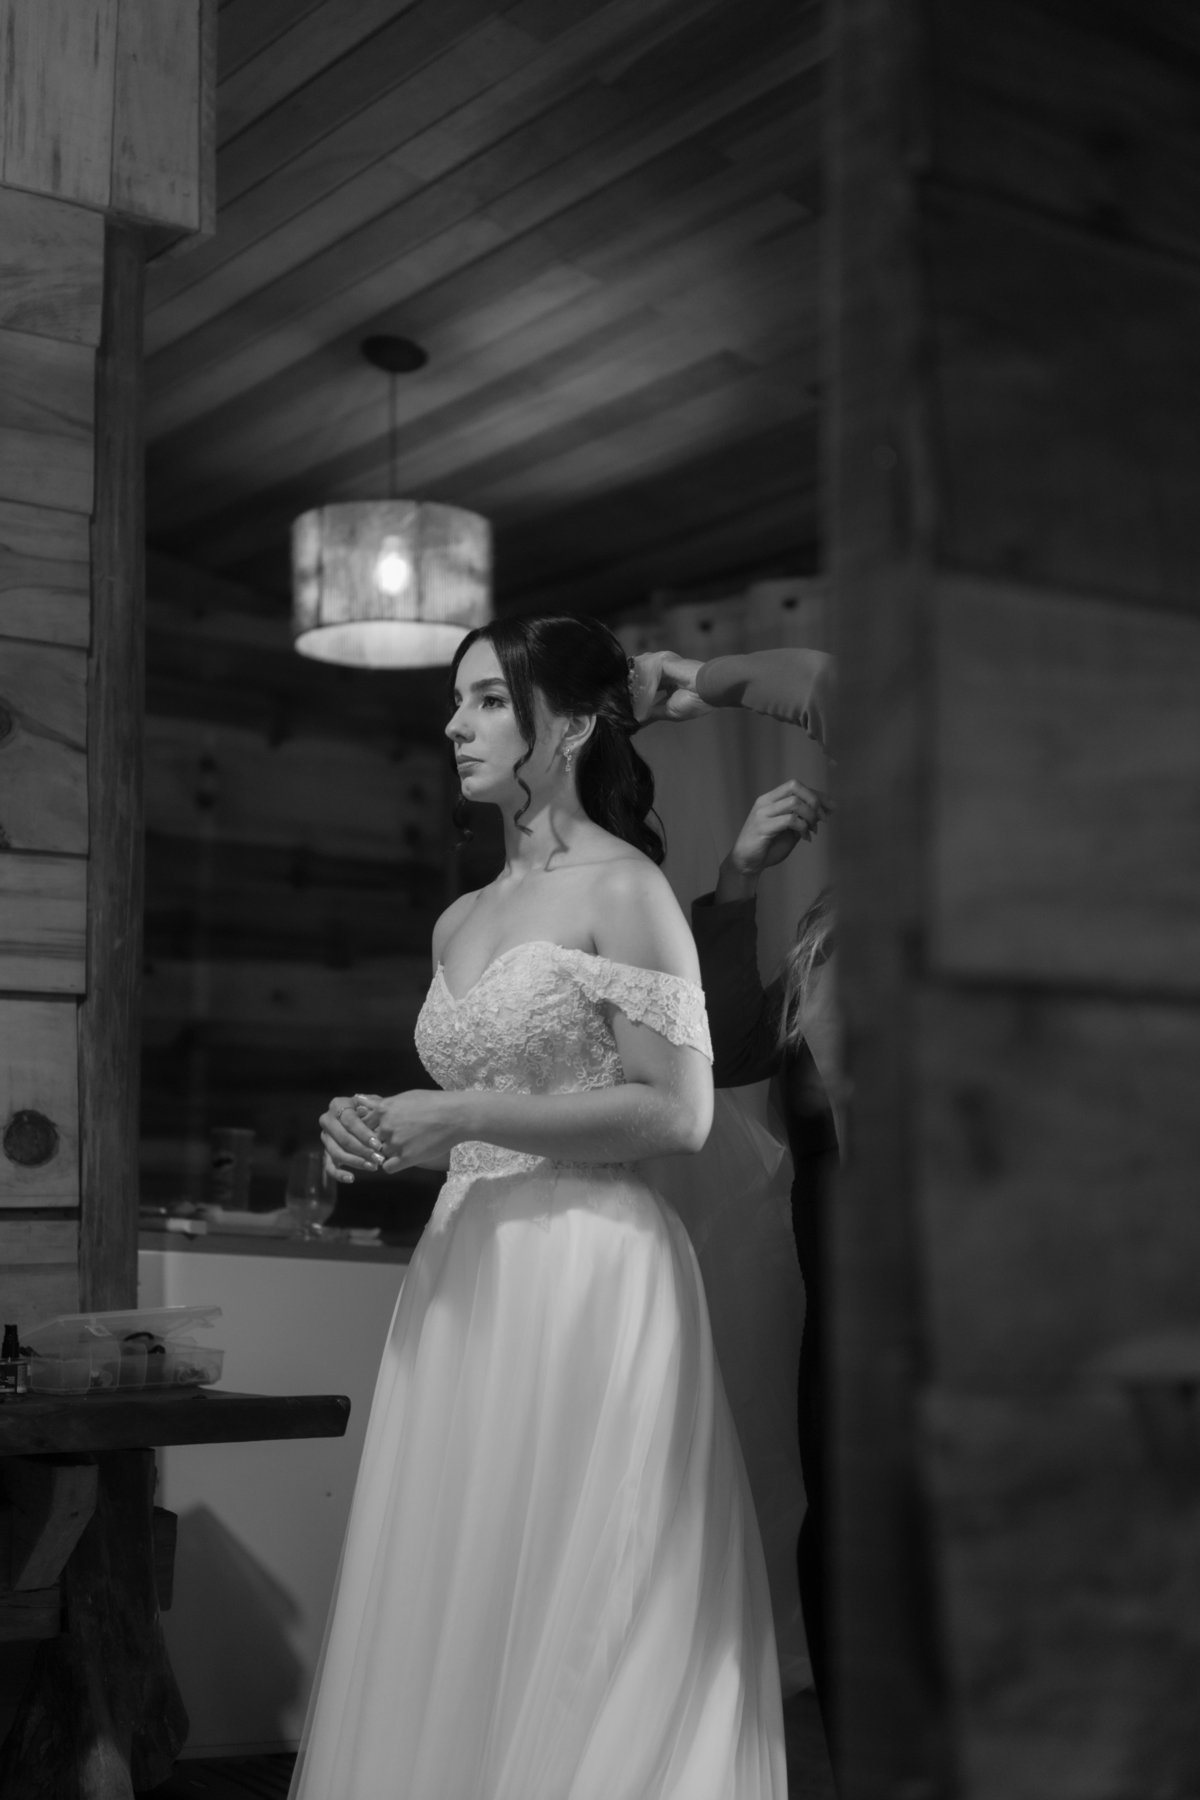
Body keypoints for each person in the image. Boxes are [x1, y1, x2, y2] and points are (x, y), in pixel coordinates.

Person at [296, 617, 787, 1800]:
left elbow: (678, 1112)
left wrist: (463, 1114)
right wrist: (377, 1127)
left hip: (589, 1270)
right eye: (455, 702)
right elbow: (476, 1104)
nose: (453, 725)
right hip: (467, 1269)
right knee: (462, 1575)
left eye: (485, 701)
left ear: (564, 728)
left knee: (585, 1588)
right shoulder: (459, 919)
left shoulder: (627, 887)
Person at [633, 643, 841, 1739]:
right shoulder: (832, 936)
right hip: (839, 1316)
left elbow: (830, 684)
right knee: (839, 1538)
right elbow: (722, 1052)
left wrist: (695, 673)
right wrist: (740, 877)